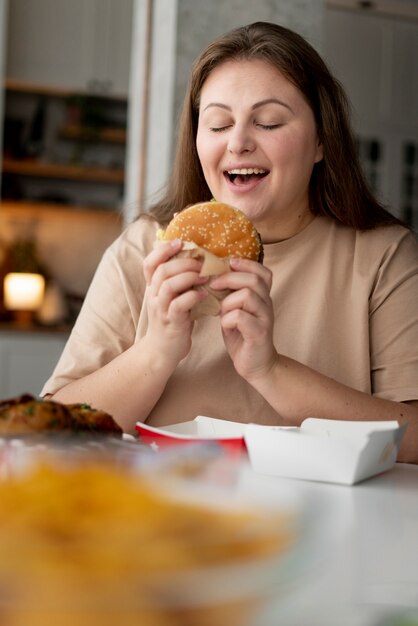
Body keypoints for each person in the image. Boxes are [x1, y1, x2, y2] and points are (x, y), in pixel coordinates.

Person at [42, 21, 418, 463]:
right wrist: (157, 351)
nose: (238, 143)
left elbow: (413, 441)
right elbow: (51, 432)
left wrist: (271, 370)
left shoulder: (383, 256)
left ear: (321, 140)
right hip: (156, 519)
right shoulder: (144, 248)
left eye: (269, 121)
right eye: (218, 124)